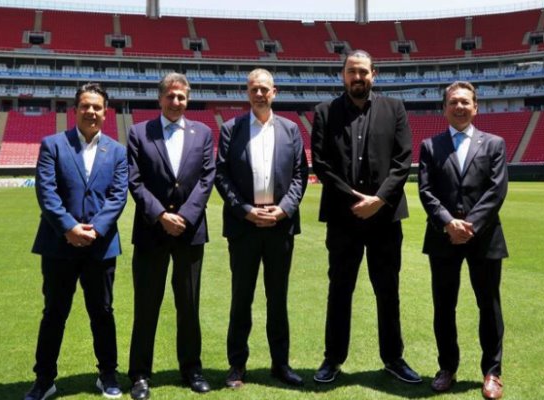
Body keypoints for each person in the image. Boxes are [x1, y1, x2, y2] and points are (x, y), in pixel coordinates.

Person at [309, 50, 420, 385]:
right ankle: (333, 359)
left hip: (384, 220)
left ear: (374, 73)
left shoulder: (394, 109)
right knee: (339, 290)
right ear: (342, 75)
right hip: (343, 219)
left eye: (363, 72)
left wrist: (380, 199)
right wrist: (355, 199)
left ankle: (393, 358)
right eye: (351, 72)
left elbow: (403, 160)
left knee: (388, 291)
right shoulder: (325, 112)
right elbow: (322, 164)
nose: (357, 78)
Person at [25, 83, 128, 400]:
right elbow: (47, 192)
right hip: (59, 246)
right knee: (54, 312)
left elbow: (118, 196)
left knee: (103, 312)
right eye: (85, 106)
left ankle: (107, 374)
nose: (91, 112)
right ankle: (44, 379)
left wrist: (94, 230)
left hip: (101, 246)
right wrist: (69, 228)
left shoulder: (118, 151)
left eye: (97, 107)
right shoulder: (53, 145)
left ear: (105, 112)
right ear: (76, 110)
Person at [215, 68, 309, 389]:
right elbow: (222, 176)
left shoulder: (291, 130)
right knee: (241, 298)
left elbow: (299, 175)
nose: (259, 94)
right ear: (247, 92)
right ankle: (237, 365)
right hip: (244, 228)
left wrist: (283, 210)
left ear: (274, 92)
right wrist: (246, 211)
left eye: (264, 89)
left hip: (280, 227)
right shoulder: (231, 129)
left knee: (277, 299)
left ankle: (280, 364)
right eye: (254, 89)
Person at [126, 72, 215, 400]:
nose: (176, 102)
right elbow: (134, 181)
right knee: (146, 306)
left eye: (182, 97)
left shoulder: (203, 133)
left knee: (189, 305)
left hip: (190, 234)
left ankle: (192, 368)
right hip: (151, 233)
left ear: (187, 99)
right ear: (160, 98)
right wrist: (161, 215)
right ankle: (139, 376)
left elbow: (207, 178)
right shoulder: (139, 133)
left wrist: (185, 216)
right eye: (171, 96)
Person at [417, 81, 508, 400]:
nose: (459, 107)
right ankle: (447, 368)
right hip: (443, 238)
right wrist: (447, 223)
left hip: (484, 238)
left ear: (476, 107)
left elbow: (496, 190)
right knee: (444, 306)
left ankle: (492, 372)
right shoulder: (430, 145)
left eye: (465, 102)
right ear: (444, 108)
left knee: (489, 306)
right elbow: (425, 191)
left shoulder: (495, 143)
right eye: (453, 102)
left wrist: (468, 225)